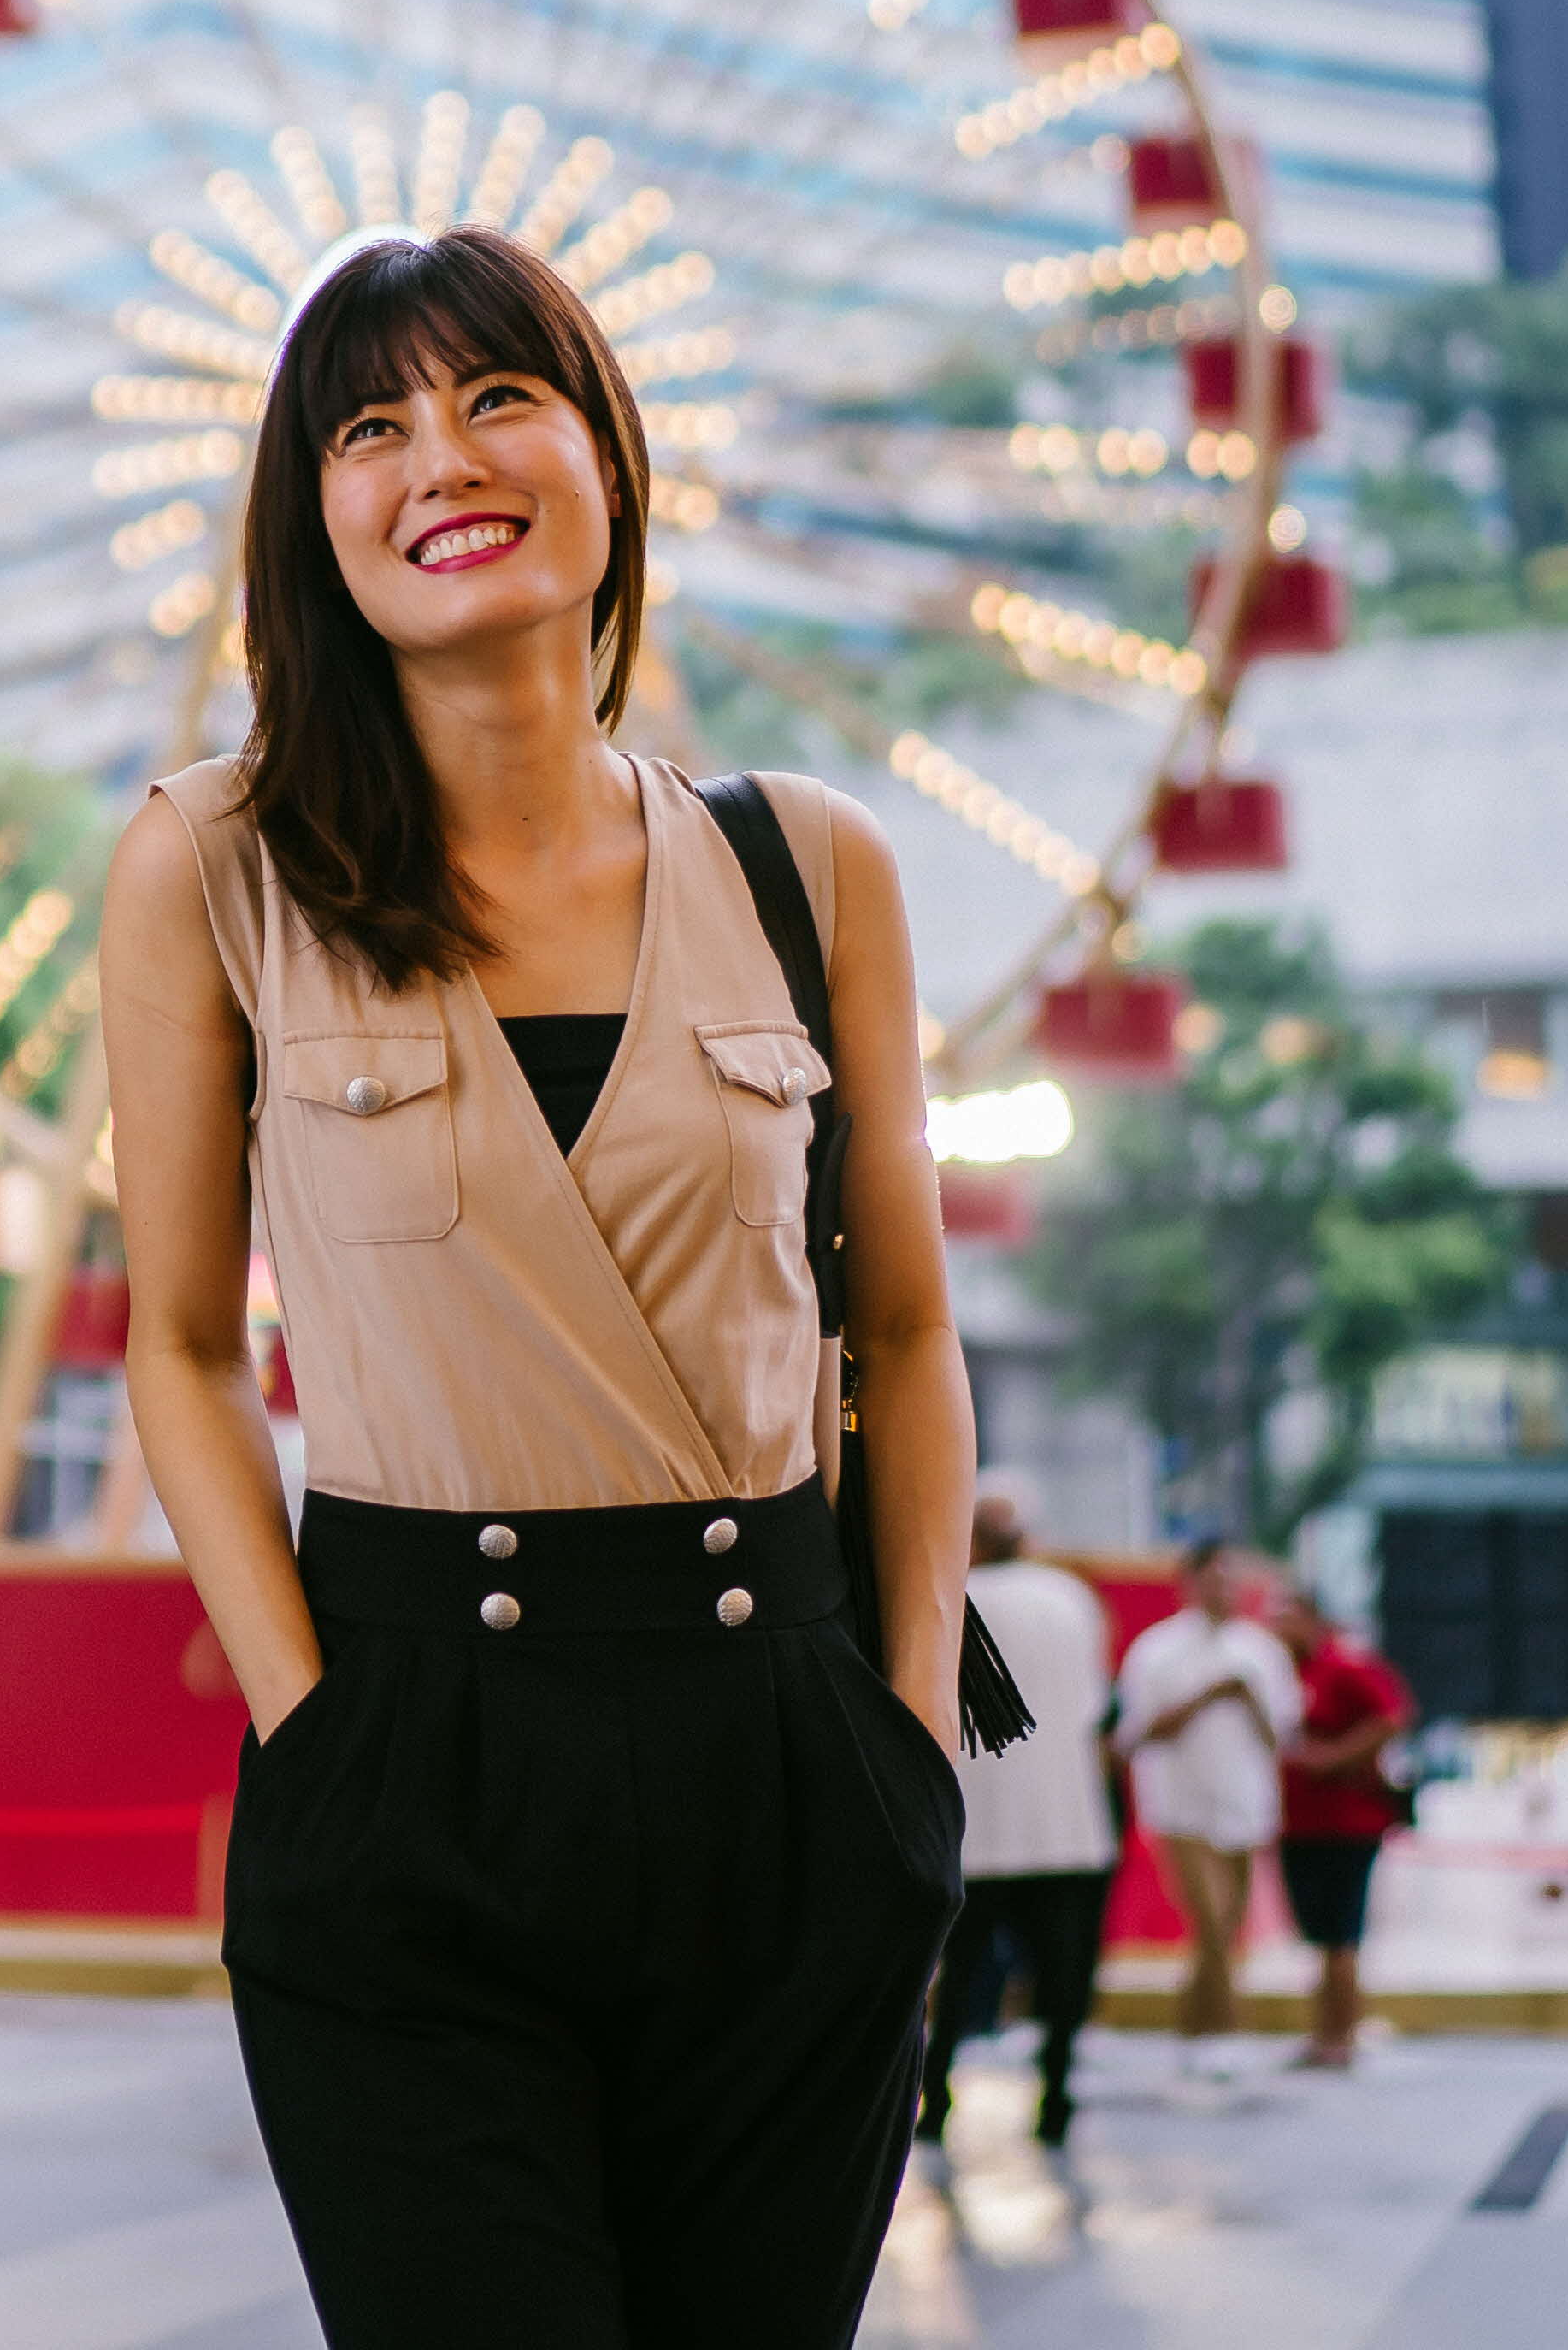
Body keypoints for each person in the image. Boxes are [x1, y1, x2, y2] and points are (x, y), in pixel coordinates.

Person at [102, 228, 979, 2348]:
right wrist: (317, 1731)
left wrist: (916, 1742)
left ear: (608, 459)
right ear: (311, 516)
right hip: (413, 1752)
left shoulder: (813, 863)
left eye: (500, 397)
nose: (440, 458)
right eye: (368, 424)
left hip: (784, 1744)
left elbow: (909, 1331)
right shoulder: (212, 866)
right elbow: (188, 1342)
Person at [923, 1485, 1120, 2149]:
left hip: (979, 1829)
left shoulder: (955, 1599)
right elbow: (1096, 1714)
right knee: (1062, 1978)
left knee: (958, 1976)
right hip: (1067, 1826)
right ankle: (1055, 2099)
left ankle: (939, 2098)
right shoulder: (1072, 1600)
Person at [1109, 1542, 1297, 2073]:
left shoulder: (1262, 1652)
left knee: (1225, 1931)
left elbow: (1280, 1735)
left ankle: (1193, 2031)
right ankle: (1230, 2031)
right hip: (1180, 1806)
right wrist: (1208, 1696)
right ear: (1190, 1583)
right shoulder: (1157, 1650)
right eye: (1214, 1579)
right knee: (1212, 1923)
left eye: (1232, 1581)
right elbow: (1137, 1733)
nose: (1225, 1591)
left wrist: (1246, 1696)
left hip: (1244, 1805)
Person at [1274, 1584, 1413, 2071]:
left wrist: (1334, 1758)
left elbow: (1391, 1717)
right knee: (1318, 1936)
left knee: (1341, 1932)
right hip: (1298, 1823)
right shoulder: (1284, 1673)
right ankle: (1323, 2032)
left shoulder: (1346, 1666)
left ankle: (1343, 2034)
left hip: (1348, 1822)